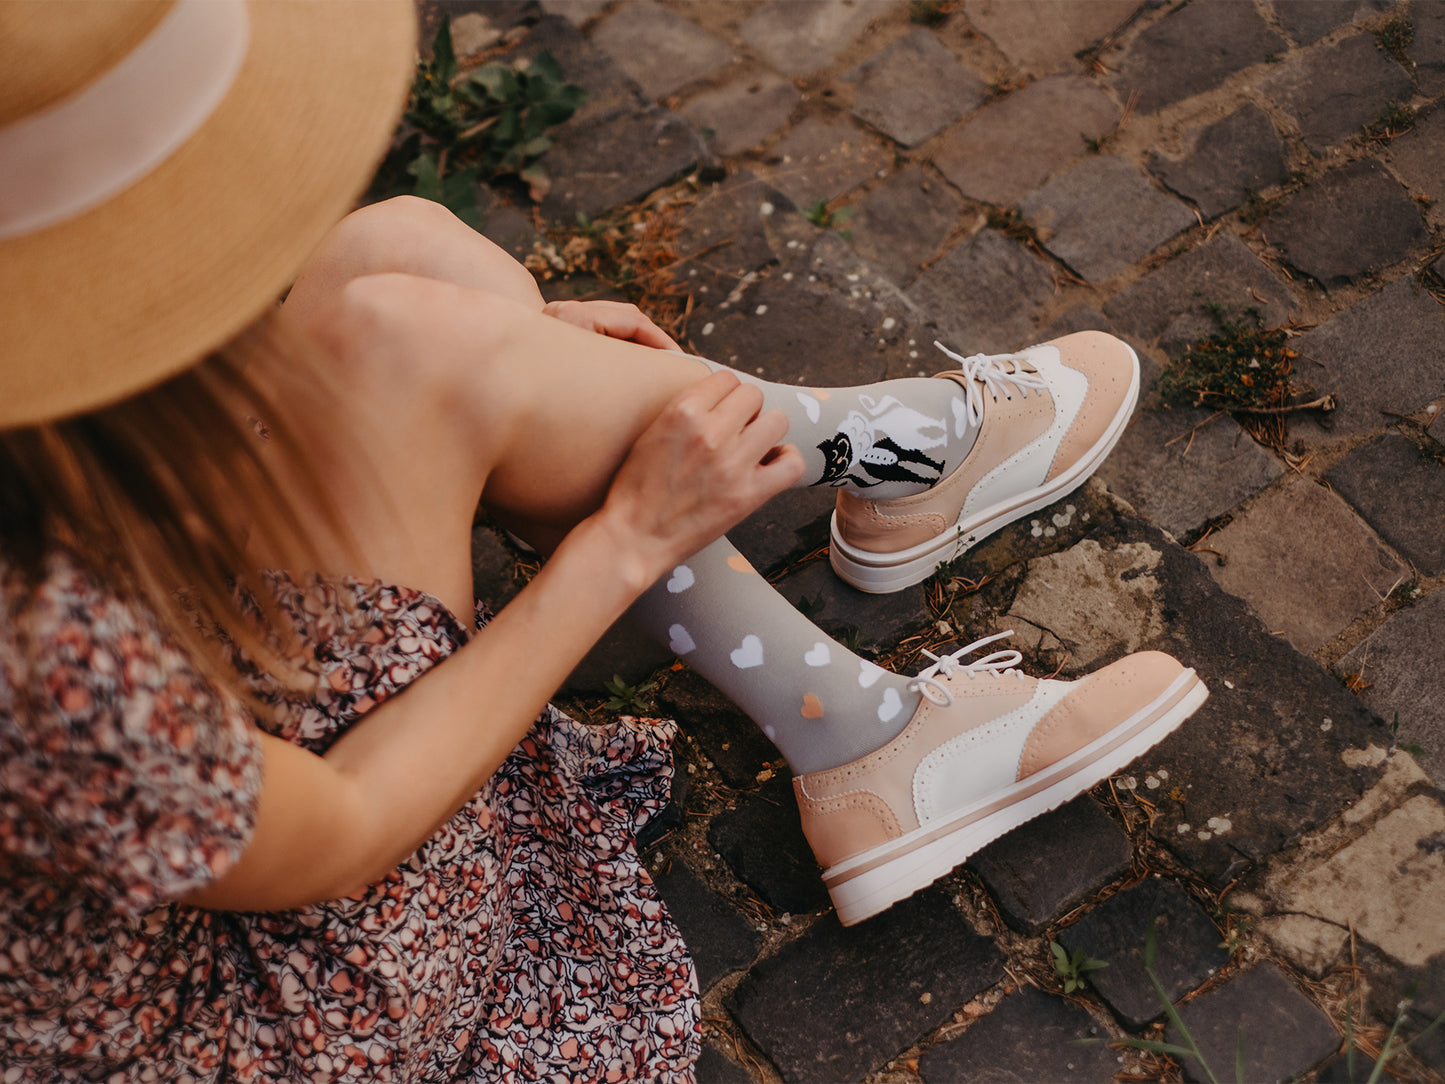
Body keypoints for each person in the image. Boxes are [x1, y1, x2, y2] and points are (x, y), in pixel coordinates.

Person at [0, 1, 1207, 1080]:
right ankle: (889, 478)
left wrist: (508, 366)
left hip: (171, 727)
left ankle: (849, 681)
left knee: (398, 260)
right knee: (417, 351)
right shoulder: (40, 654)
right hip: (272, 995)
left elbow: (121, 464)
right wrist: (615, 536)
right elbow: (343, 830)